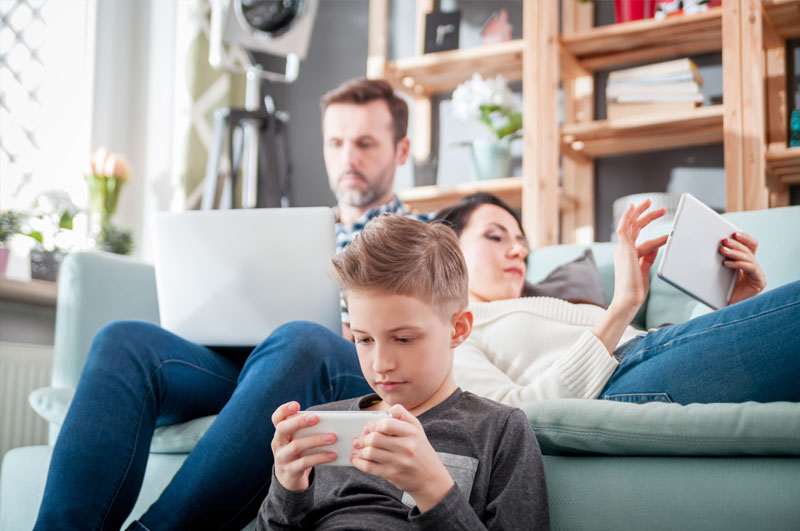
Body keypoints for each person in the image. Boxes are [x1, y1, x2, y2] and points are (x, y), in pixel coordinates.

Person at [34, 78, 430, 531]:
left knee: (300, 338)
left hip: (343, 363)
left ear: (401, 151)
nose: (347, 158)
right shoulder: (291, 231)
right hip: (260, 367)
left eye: (364, 143)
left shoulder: (428, 235)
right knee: (123, 339)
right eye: (335, 143)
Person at [257, 214, 549, 530]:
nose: (381, 363)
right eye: (364, 339)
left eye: (403, 338)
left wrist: (433, 490)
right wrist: (286, 487)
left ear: (457, 328)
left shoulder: (500, 431)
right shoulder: (321, 429)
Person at [433, 193, 800, 406]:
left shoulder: (541, 307)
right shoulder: (451, 335)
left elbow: (652, 349)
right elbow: (515, 415)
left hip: (646, 355)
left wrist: (734, 303)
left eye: (521, 242)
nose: (517, 250)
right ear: (446, 248)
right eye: (495, 237)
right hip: (617, 382)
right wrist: (622, 307)